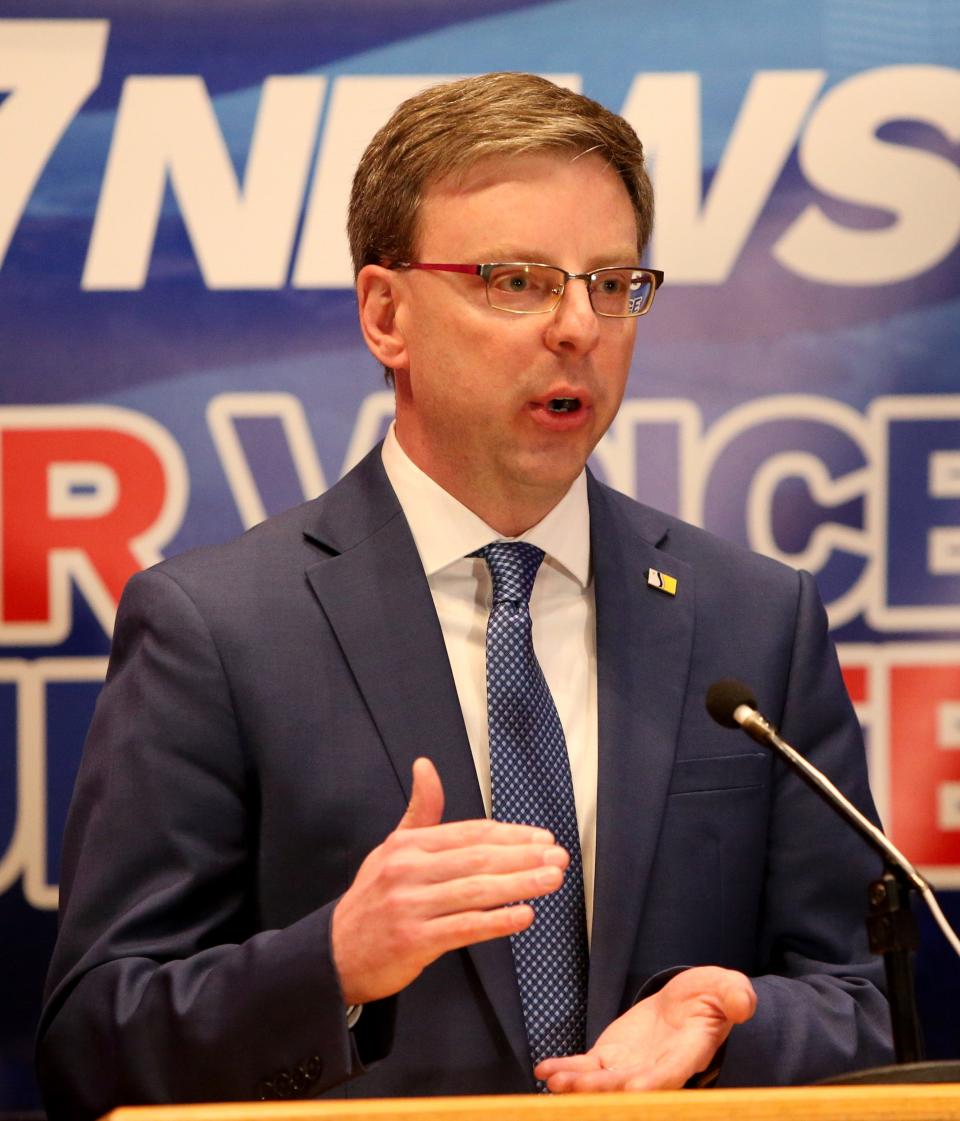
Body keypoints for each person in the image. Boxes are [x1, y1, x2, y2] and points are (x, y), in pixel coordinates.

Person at [36, 73, 892, 1117]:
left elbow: (868, 997)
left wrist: (732, 1020)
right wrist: (335, 962)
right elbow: (92, 1039)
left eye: (613, 283)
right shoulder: (218, 628)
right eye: (516, 279)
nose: (580, 325)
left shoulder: (753, 619)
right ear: (386, 313)